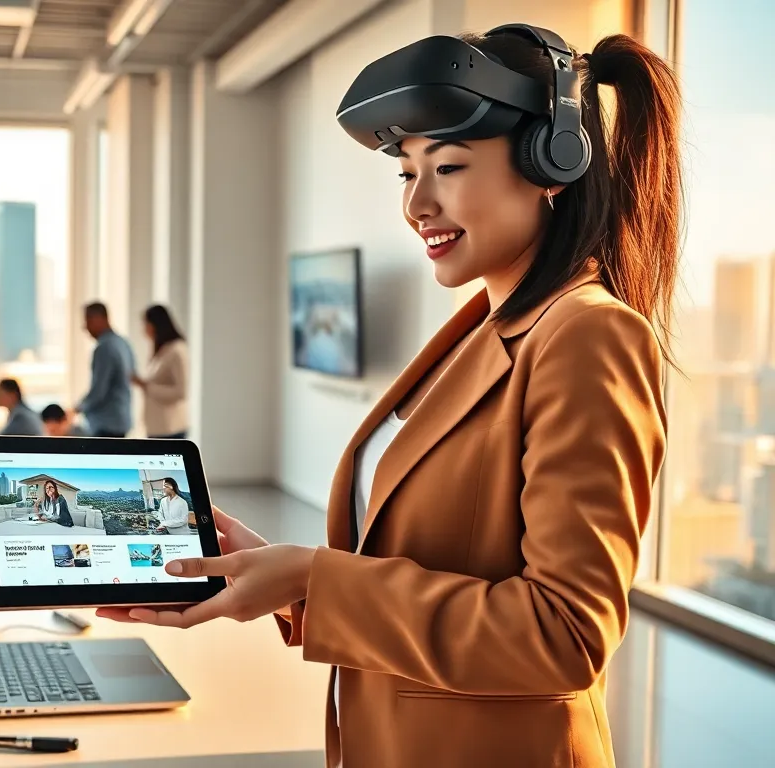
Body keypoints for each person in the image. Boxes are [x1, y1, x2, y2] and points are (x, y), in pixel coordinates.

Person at [99, 28, 679, 768]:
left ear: (553, 164)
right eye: (407, 173)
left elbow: (563, 635)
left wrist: (315, 576)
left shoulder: (589, 335)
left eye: (449, 167)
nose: (417, 204)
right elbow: (419, 566)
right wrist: (281, 579)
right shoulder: (480, 330)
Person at [74, 302, 135, 438]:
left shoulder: (104, 348)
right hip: (121, 420)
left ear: (99, 318)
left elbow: (99, 391)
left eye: (88, 320)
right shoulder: (123, 343)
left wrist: (77, 408)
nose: (85, 327)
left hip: (106, 424)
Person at [131, 305, 189, 439]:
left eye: (145, 324)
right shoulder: (160, 350)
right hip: (156, 428)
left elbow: (181, 392)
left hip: (171, 428)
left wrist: (147, 387)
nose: (143, 329)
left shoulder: (177, 350)